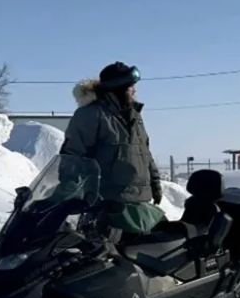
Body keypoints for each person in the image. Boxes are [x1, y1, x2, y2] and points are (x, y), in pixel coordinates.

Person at [60, 61, 164, 236]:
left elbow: (145, 153)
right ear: (119, 88)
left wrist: (155, 184)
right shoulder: (91, 114)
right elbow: (72, 154)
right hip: (107, 208)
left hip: (139, 208)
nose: (135, 91)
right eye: (132, 87)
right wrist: (68, 191)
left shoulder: (135, 115)